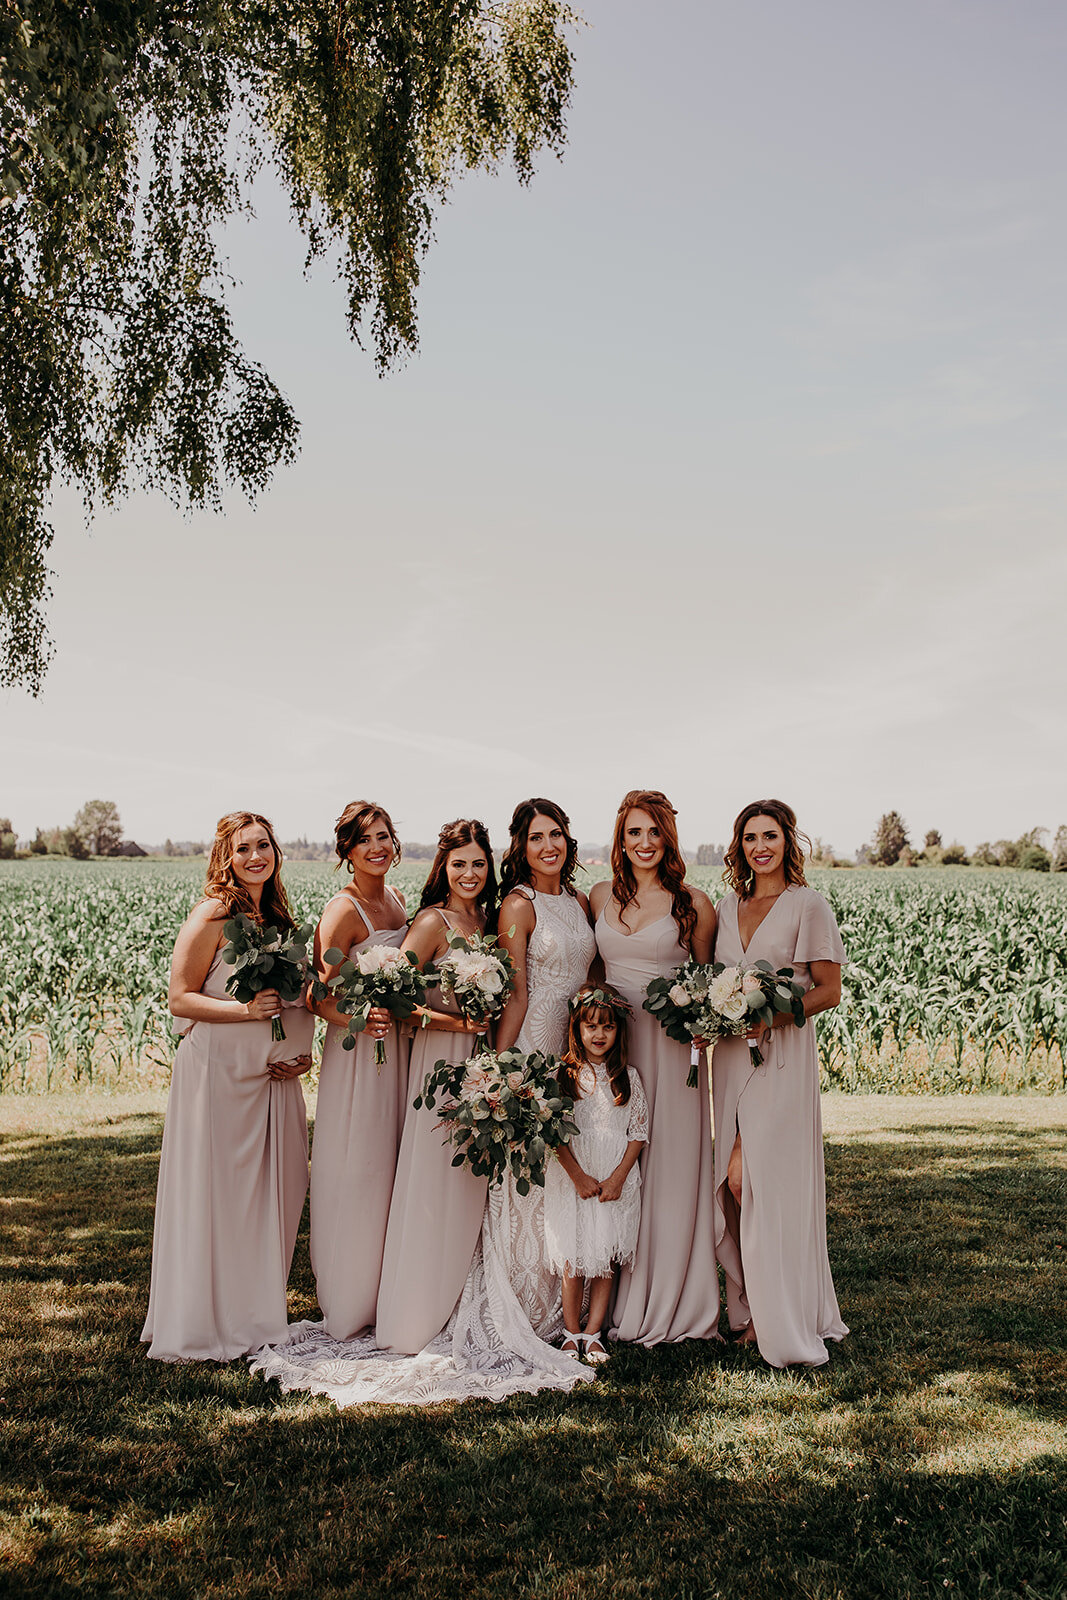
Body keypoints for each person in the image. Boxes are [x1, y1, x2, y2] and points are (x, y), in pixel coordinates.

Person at [142, 811, 312, 1362]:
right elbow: (180, 998)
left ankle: (255, 1314)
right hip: (216, 1076)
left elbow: (295, 999)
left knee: (277, 1192)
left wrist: (300, 1054)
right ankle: (204, 1320)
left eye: (264, 845)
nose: (255, 856)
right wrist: (243, 1012)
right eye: (244, 849)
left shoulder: (281, 920)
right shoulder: (214, 913)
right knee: (220, 1197)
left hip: (271, 1079)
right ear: (226, 856)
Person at [712, 798, 848, 1367]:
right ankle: (745, 1311)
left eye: (769, 836)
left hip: (781, 1054)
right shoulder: (727, 905)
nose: (759, 847)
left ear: (788, 842)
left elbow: (828, 989)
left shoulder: (807, 904)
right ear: (739, 846)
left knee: (756, 1182)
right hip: (728, 1058)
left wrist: (771, 1015)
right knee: (730, 1182)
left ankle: (779, 1315)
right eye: (749, 838)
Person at [591, 788, 720, 1345]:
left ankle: (671, 1296)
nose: (644, 843)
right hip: (615, 1048)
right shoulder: (597, 896)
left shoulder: (694, 903)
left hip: (671, 1051)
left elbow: (710, 988)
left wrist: (697, 1025)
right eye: (633, 832)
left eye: (654, 831)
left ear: (668, 836)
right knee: (615, 1154)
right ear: (620, 840)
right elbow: (590, 973)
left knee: (668, 1165)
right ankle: (609, 1294)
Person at [374, 819, 497, 1355]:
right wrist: (454, 1025)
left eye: (478, 863)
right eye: (458, 864)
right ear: (443, 868)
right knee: (434, 1173)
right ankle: (416, 1311)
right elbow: (393, 998)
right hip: (438, 1059)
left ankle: (462, 1298)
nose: (469, 874)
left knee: (473, 1180)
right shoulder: (433, 922)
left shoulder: (489, 921)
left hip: (481, 1061)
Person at [483, 798, 596, 1337]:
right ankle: (525, 1300)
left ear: (567, 840)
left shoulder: (578, 901)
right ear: (520, 848)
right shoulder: (518, 905)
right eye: (536, 838)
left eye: (555, 835)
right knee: (533, 1169)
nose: (548, 846)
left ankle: (571, 1297)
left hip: (579, 1050)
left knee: (570, 1165)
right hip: (533, 1044)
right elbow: (517, 993)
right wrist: (505, 1068)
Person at [308, 800, 408, 1339]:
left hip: (396, 1053)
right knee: (359, 1166)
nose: (378, 847)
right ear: (347, 849)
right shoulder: (343, 910)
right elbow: (316, 996)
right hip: (359, 1054)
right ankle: (348, 1296)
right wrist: (358, 1017)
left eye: (385, 836)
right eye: (366, 839)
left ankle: (382, 1288)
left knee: (389, 1166)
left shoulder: (395, 899)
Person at [545, 983, 648, 1363]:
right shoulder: (564, 1075)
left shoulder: (629, 1078)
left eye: (607, 1027)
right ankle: (572, 1332)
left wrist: (620, 1177)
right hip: (576, 1178)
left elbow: (638, 1133)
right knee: (573, 1257)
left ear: (619, 1031)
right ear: (577, 1029)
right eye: (590, 1026)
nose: (599, 1035)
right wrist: (577, 1176)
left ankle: (595, 1332)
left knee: (605, 1258)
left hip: (614, 1179)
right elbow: (554, 1132)